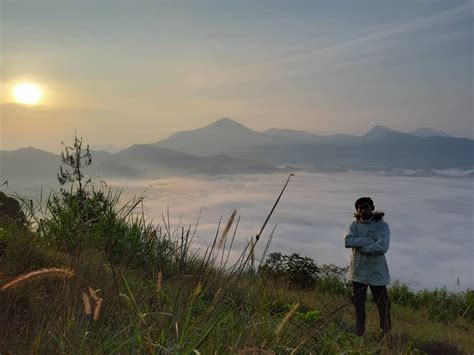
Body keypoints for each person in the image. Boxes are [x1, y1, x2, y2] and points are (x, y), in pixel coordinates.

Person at [345, 197, 391, 337]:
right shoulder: (353, 225)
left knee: (383, 305)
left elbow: (383, 246)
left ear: (372, 207)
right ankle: (359, 331)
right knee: (358, 304)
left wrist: (362, 248)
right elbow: (348, 241)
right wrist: (370, 241)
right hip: (358, 272)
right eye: (359, 208)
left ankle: (386, 334)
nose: (362, 210)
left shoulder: (381, 225)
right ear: (356, 210)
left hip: (377, 273)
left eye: (365, 206)